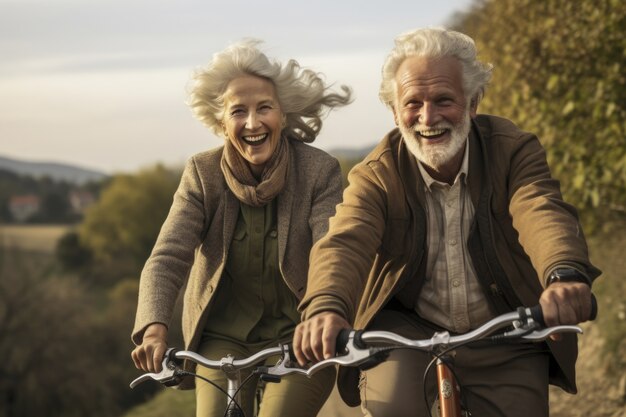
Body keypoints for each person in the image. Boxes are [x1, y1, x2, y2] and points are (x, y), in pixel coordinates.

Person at [293, 27, 600, 417]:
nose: (427, 117)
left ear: (473, 102)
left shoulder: (513, 148)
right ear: (394, 111)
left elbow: (540, 208)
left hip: (506, 328)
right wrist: (325, 307)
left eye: (443, 100)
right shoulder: (377, 172)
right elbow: (346, 240)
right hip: (407, 333)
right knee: (391, 409)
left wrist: (563, 275)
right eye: (413, 103)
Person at [131, 39, 352, 417]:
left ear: (282, 113)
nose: (253, 123)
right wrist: (153, 327)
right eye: (238, 111)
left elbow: (331, 250)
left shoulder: (319, 170)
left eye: (264, 107)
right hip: (222, 339)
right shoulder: (202, 173)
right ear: (221, 122)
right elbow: (168, 256)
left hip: (299, 336)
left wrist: (323, 311)